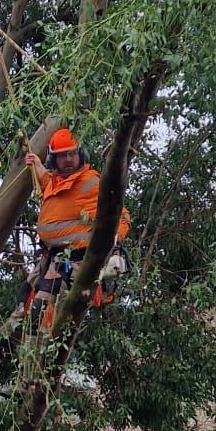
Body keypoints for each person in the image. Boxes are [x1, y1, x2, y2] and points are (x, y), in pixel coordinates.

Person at [21, 127, 130, 325]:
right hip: (52, 256)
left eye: (71, 154)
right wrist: (37, 165)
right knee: (24, 300)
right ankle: (5, 344)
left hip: (75, 260)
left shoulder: (92, 182)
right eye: (62, 156)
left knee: (41, 312)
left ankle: (42, 350)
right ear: (54, 160)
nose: (68, 160)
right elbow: (54, 189)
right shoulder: (56, 181)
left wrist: (114, 244)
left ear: (80, 154)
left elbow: (122, 216)